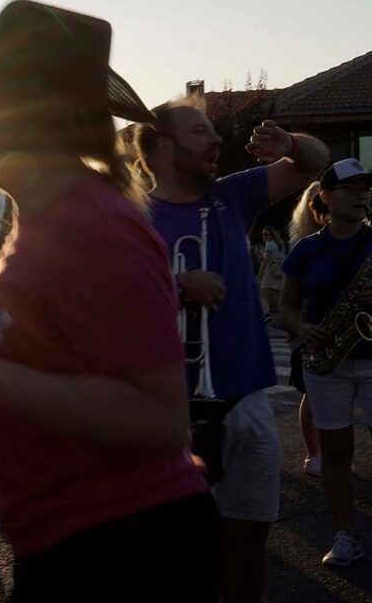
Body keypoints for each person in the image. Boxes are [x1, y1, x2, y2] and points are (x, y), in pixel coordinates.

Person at [0, 0, 222, 600]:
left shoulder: (94, 224)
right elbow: (55, 370)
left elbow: (157, 420)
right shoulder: (43, 220)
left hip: (129, 551)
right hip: (72, 546)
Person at [133, 95, 328, 600]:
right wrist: (177, 284)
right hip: (164, 411)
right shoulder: (129, 215)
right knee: (170, 554)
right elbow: (100, 296)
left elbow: (314, 162)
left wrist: (291, 144)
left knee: (249, 539)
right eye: (200, 131)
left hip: (246, 399)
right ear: (158, 147)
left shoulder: (231, 195)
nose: (217, 139)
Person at [279, 158, 372, 567]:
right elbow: (286, 306)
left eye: (365, 187)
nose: (362, 193)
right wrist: (301, 326)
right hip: (327, 361)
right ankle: (345, 534)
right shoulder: (306, 249)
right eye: (351, 187)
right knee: (336, 454)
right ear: (326, 198)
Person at [288, 180, 328, 478]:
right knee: (312, 392)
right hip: (309, 326)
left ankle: (325, 453)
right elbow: (290, 297)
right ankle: (314, 453)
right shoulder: (306, 244)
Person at [258, 227, 285, 321]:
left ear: (272, 235)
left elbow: (265, 262)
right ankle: (282, 315)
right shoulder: (277, 244)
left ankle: (266, 314)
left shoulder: (269, 245)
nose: (263, 237)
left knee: (262, 294)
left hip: (269, 274)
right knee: (275, 295)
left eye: (266, 234)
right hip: (277, 272)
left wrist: (259, 275)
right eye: (262, 234)